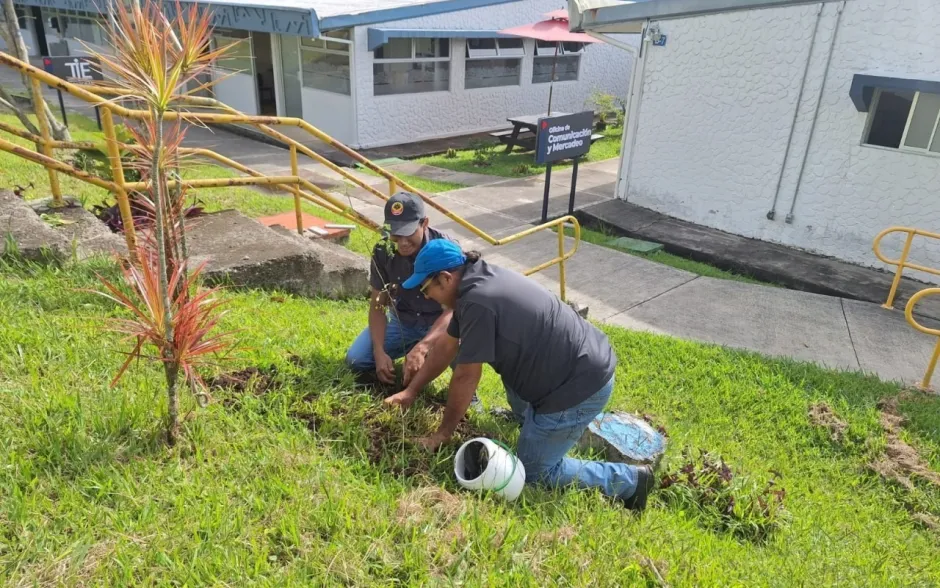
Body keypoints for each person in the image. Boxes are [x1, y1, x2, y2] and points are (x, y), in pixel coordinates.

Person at [384, 239, 656, 510]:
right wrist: (411, 391)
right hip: (572, 360)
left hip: (577, 386)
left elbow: (466, 376)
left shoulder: (478, 301)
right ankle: (528, 420)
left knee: (534, 472)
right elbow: (446, 346)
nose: (426, 296)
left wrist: (442, 434)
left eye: (425, 287)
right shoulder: (474, 284)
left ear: (445, 278)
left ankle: (631, 481)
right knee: (502, 353)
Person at [345, 191, 455, 388]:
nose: (402, 242)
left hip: (439, 324)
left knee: (462, 347)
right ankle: (407, 350)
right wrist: (379, 351)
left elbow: (453, 310)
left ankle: (471, 399)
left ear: (424, 223)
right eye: (396, 234)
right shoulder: (383, 251)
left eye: (409, 232)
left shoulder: (445, 250)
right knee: (357, 359)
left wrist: (424, 347)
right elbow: (378, 304)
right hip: (403, 321)